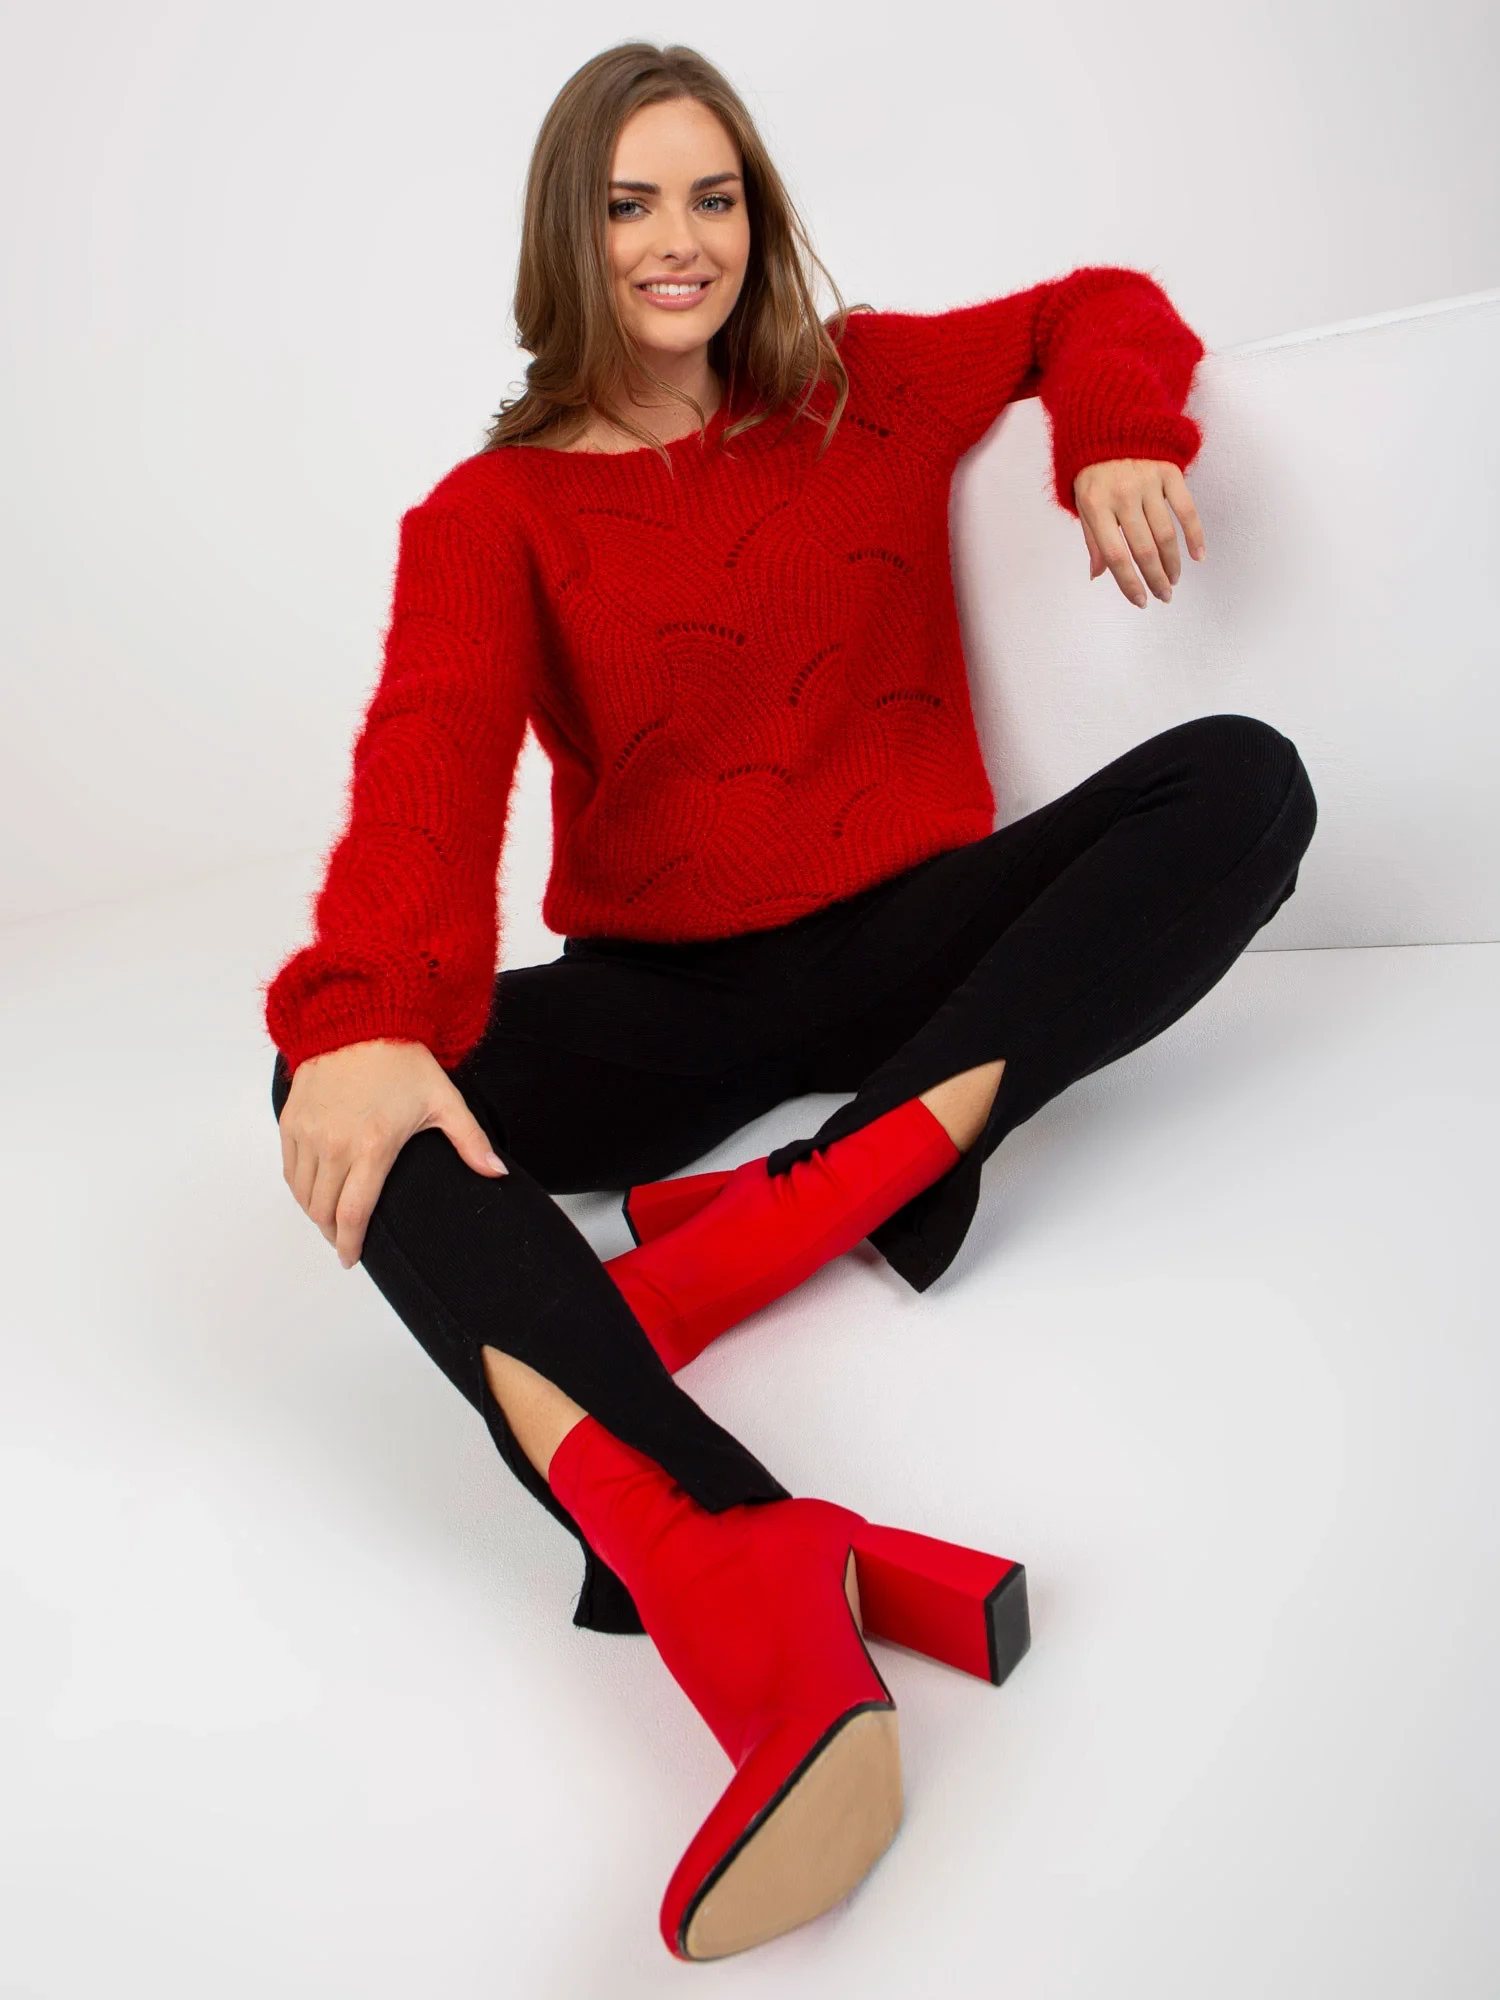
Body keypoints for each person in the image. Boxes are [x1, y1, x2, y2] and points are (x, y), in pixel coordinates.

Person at [263, 40, 1317, 1963]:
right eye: (630, 203)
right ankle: (726, 1549)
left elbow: (1092, 305)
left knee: (1242, 781)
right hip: (660, 1007)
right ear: (568, 235)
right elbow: (427, 772)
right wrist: (366, 1013)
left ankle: (818, 1193)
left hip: (916, 949)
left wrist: (1114, 427)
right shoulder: (492, 515)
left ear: (758, 214)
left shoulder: (868, 382)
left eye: (715, 195)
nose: (680, 240)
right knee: (333, 1075)